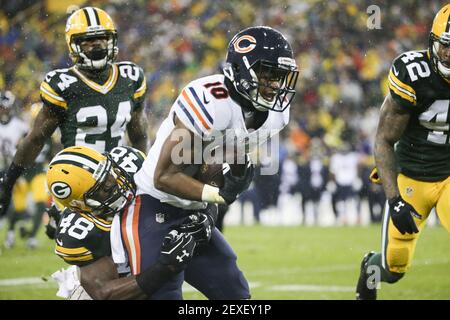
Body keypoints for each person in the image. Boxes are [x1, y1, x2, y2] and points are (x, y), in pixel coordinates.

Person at [132, 26, 299, 299]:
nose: (274, 85)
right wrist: (217, 195)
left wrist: (231, 177)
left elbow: (218, 164)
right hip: (153, 205)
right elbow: (163, 176)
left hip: (195, 209)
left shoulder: (275, 116)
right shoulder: (212, 101)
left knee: (235, 294)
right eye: (266, 74)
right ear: (240, 70)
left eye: (279, 76)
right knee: (163, 294)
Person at [0, 6, 148, 218]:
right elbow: (36, 140)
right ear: (73, 45)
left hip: (118, 179)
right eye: (87, 41)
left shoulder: (131, 77)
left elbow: (140, 136)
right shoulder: (63, 84)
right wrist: (9, 180)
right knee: (82, 249)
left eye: (102, 38)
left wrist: (142, 175)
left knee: (128, 247)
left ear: (112, 40)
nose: (96, 45)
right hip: (78, 181)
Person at [356, 4, 450, 300]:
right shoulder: (414, 74)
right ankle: (370, 268)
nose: (449, 53)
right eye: (445, 45)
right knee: (393, 268)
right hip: (412, 176)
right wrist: (395, 201)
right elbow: (384, 140)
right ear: (433, 43)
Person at [46, 145, 198, 299]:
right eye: (100, 188)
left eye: (108, 174)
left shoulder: (131, 166)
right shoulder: (79, 230)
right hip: (118, 284)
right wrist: (164, 267)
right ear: (80, 205)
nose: (112, 184)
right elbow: (104, 293)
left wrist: (208, 216)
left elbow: (193, 181)